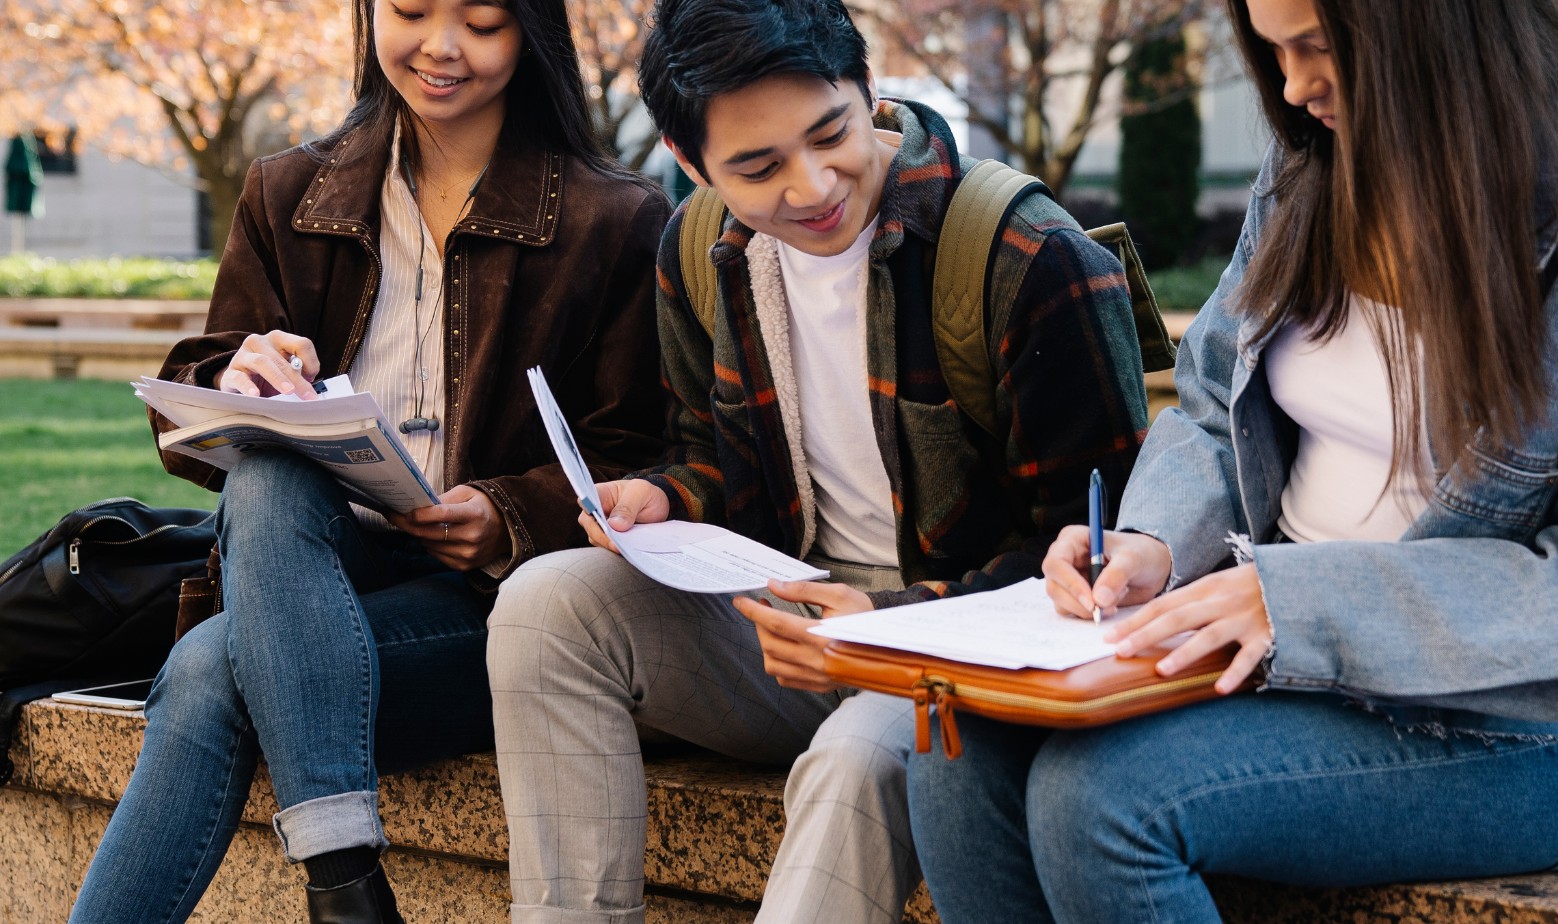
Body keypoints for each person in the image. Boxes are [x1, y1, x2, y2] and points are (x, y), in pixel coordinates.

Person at [904, 0, 1558, 921]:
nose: (1292, 88)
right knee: (955, 748)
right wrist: (1152, 544)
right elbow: (1214, 408)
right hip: (1285, 656)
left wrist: (1297, 602)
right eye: (1274, 51)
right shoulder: (1308, 164)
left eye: (1319, 48)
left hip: (1520, 727)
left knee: (1103, 802)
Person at [482, 0, 1152, 920]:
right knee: (543, 607)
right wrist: (663, 498)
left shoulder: (1023, 257)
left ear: (868, 90)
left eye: (830, 133)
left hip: (949, 650)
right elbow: (708, 455)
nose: (810, 187)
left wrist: (885, 621)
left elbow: (1100, 554)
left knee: (850, 760)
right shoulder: (698, 249)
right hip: (788, 631)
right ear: (691, 164)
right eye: (756, 168)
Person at [67, 0, 669, 920]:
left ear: (533, 32)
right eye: (411, 9)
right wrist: (238, 371)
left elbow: (642, 455)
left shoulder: (614, 219)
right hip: (307, 565)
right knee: (271, 469)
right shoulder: (289, 193)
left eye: (481, 21)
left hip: (488, 612)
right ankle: (343, 876)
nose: (440, 47)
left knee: (213, 667)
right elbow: (196, 405)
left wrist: (508, 515)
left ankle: (341, 881)